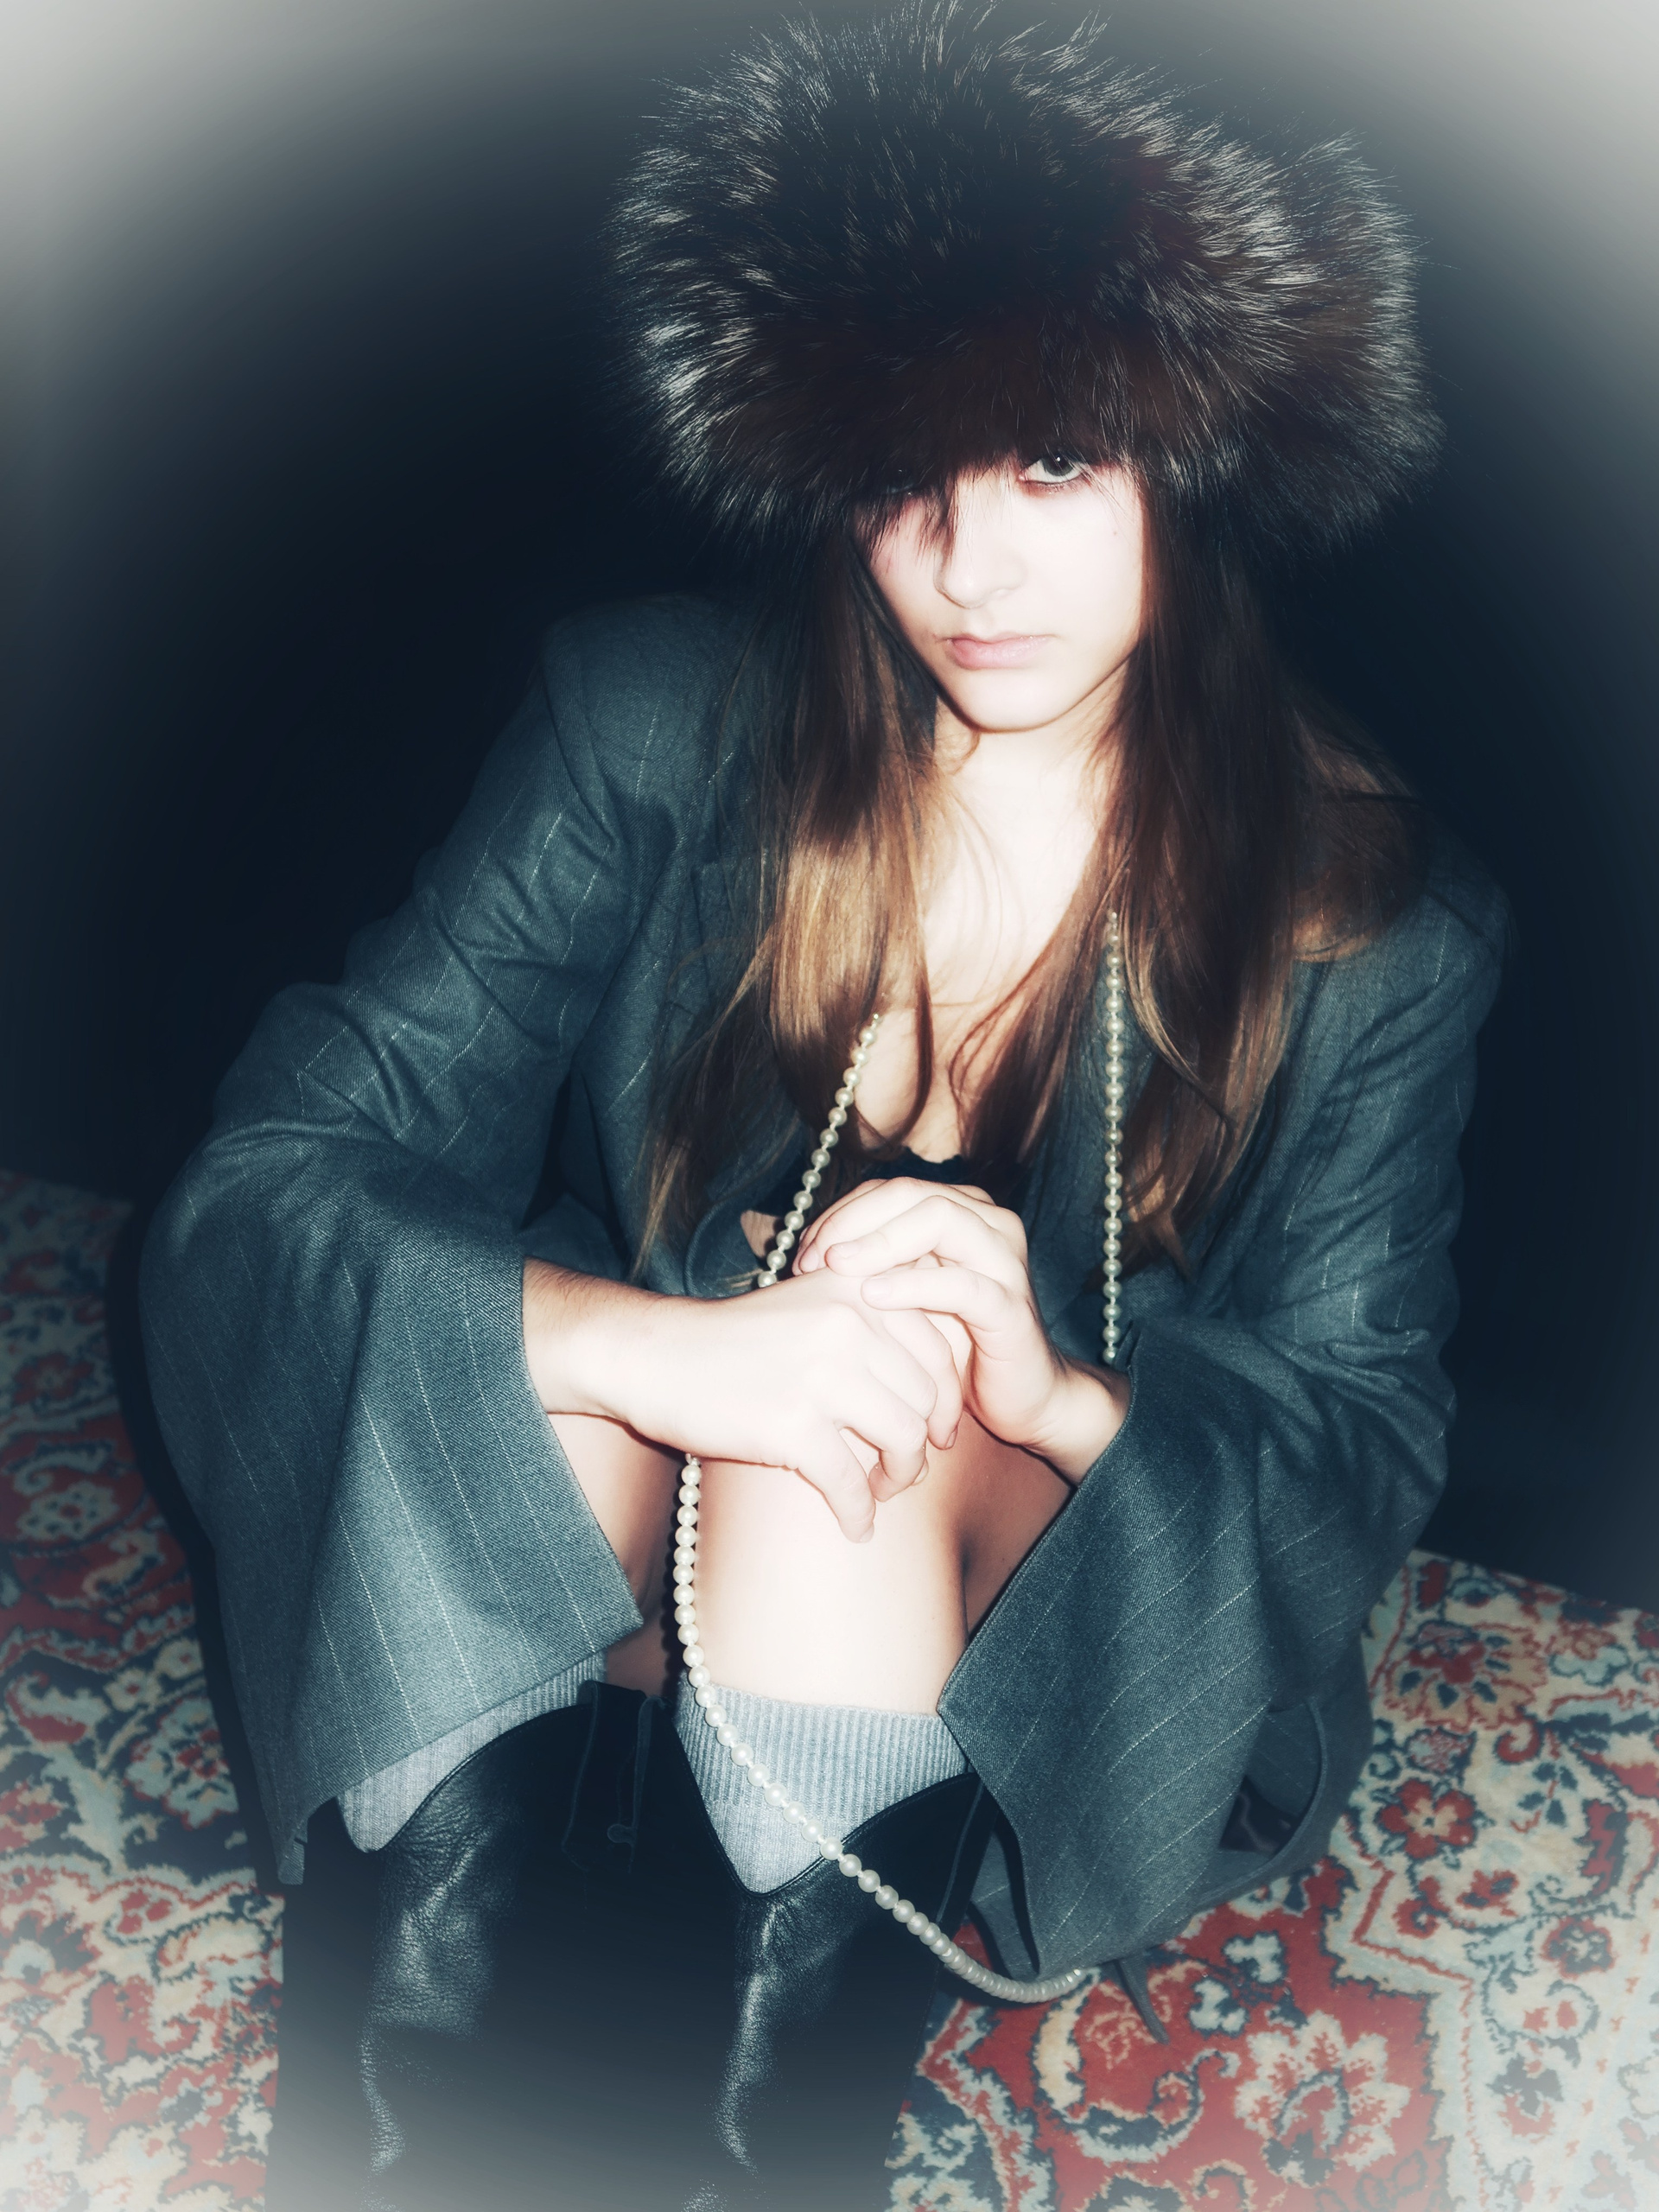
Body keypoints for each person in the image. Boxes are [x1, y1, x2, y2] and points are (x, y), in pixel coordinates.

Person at [139, 4, 1507, 2207]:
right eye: (902, 475)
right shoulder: (653, 720)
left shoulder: (1377, 923)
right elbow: (275, 1182)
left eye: (1051, 461)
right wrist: (656, 1349)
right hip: (640, 1511)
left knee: (841, 1447)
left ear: (1202, 458)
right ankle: (397, 2150)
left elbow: (1360, 1436)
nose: (966, 565)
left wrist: (1055, 1391)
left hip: (1046, 1587)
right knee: (531, 1371)